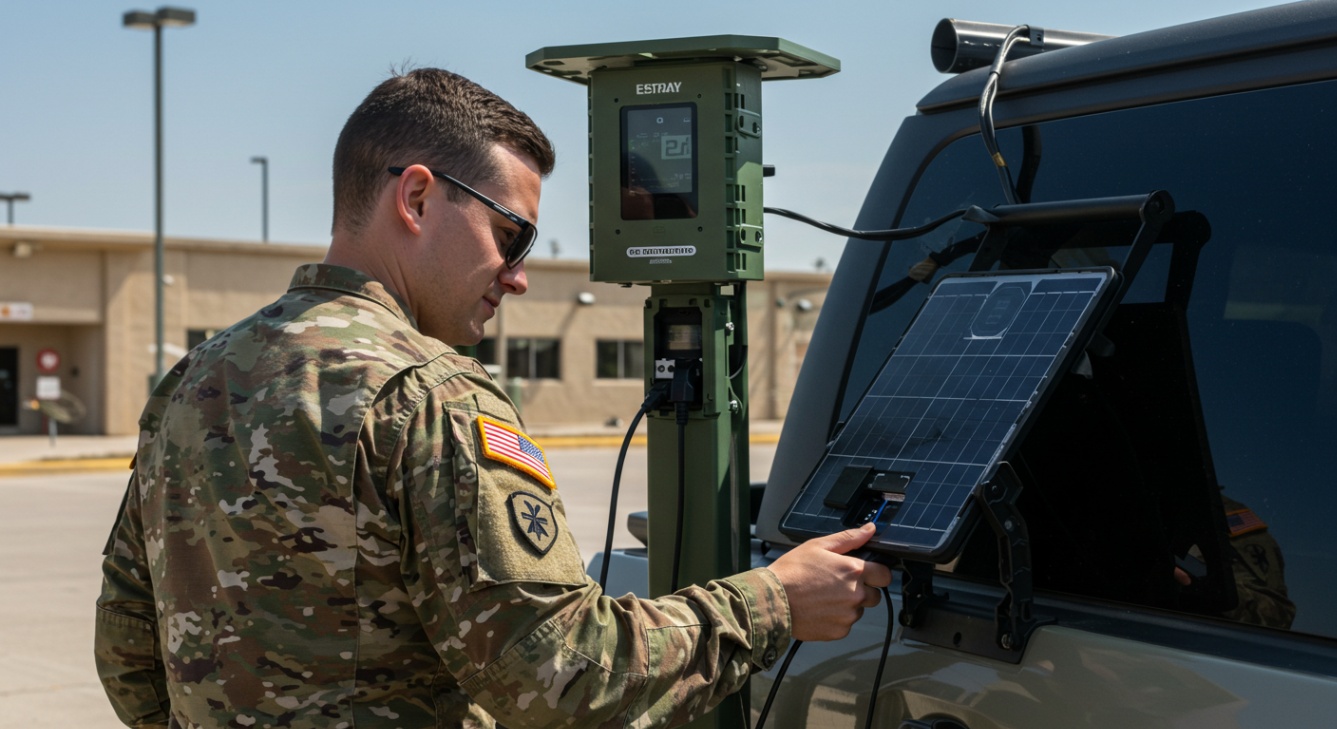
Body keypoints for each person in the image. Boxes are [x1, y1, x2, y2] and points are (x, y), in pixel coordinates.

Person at [95, 67, 892, 729]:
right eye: (511, 236)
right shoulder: (428, 395)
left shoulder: (193, 379)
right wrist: (770, 602)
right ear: (416, 198)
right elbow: (561, 671)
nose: (517, 276)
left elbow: (129, 649)